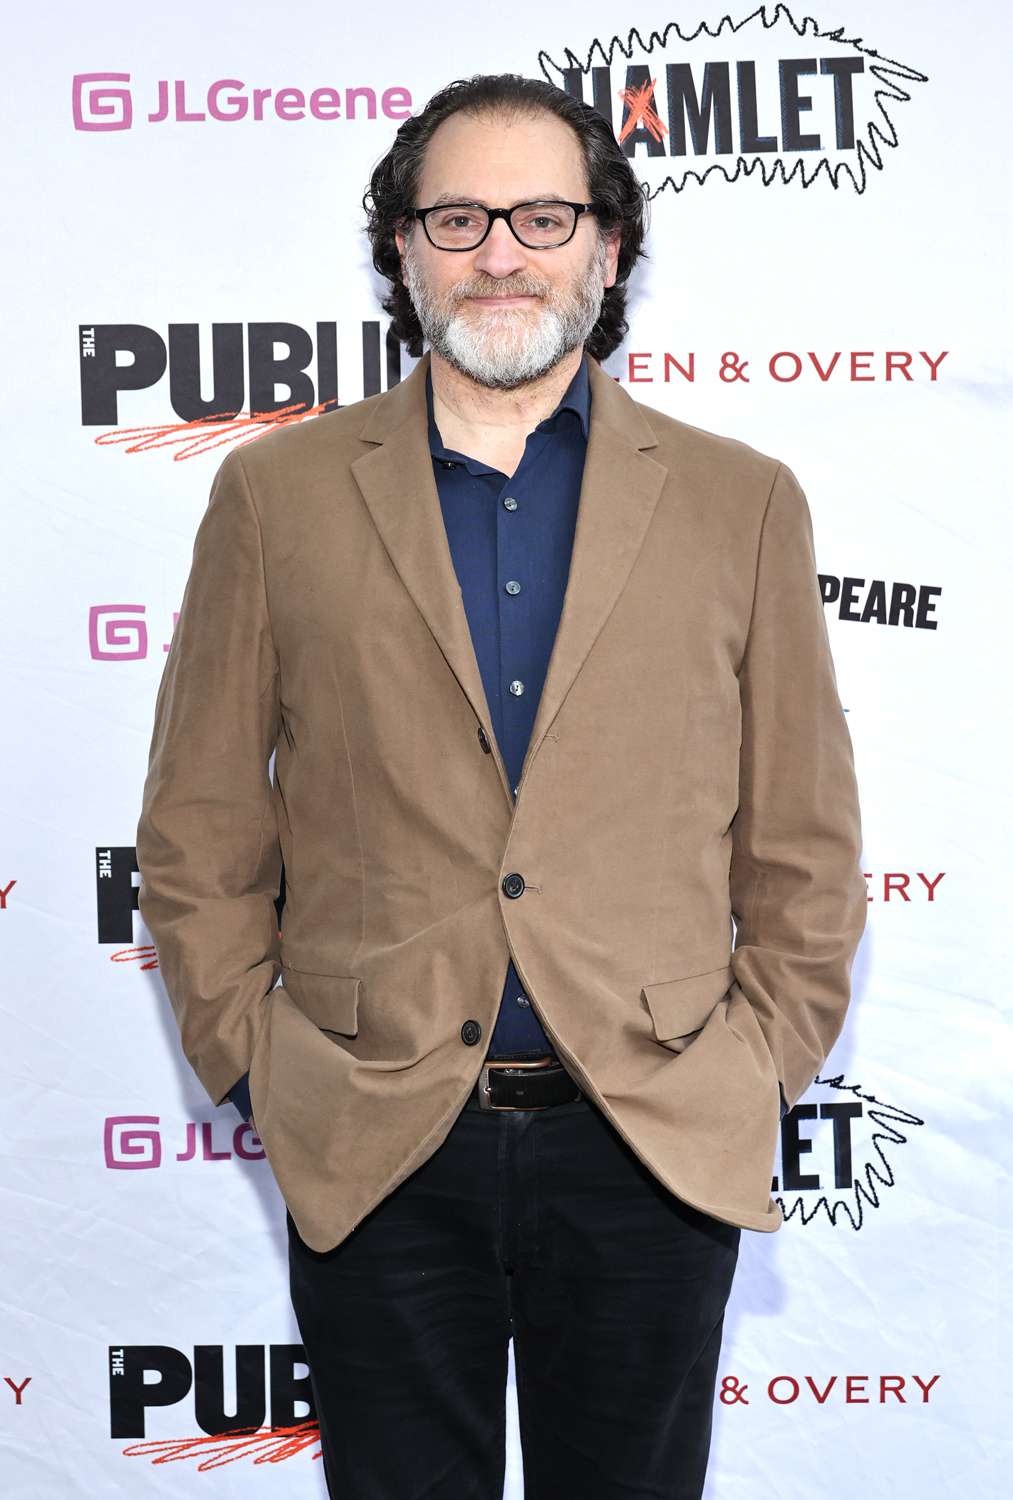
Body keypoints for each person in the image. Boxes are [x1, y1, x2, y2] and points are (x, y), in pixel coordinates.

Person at [136, 72, 867, 1499]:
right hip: (375, 1135)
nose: (500, 252)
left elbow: (802, 837)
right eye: (458, 216)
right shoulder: (274, 499)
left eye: (542, 215)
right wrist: (258, 1063)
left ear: (607, 245)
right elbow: (200, 823)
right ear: (400, 248)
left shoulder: (742, 500)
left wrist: (751, 1069)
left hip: (648, 1138)